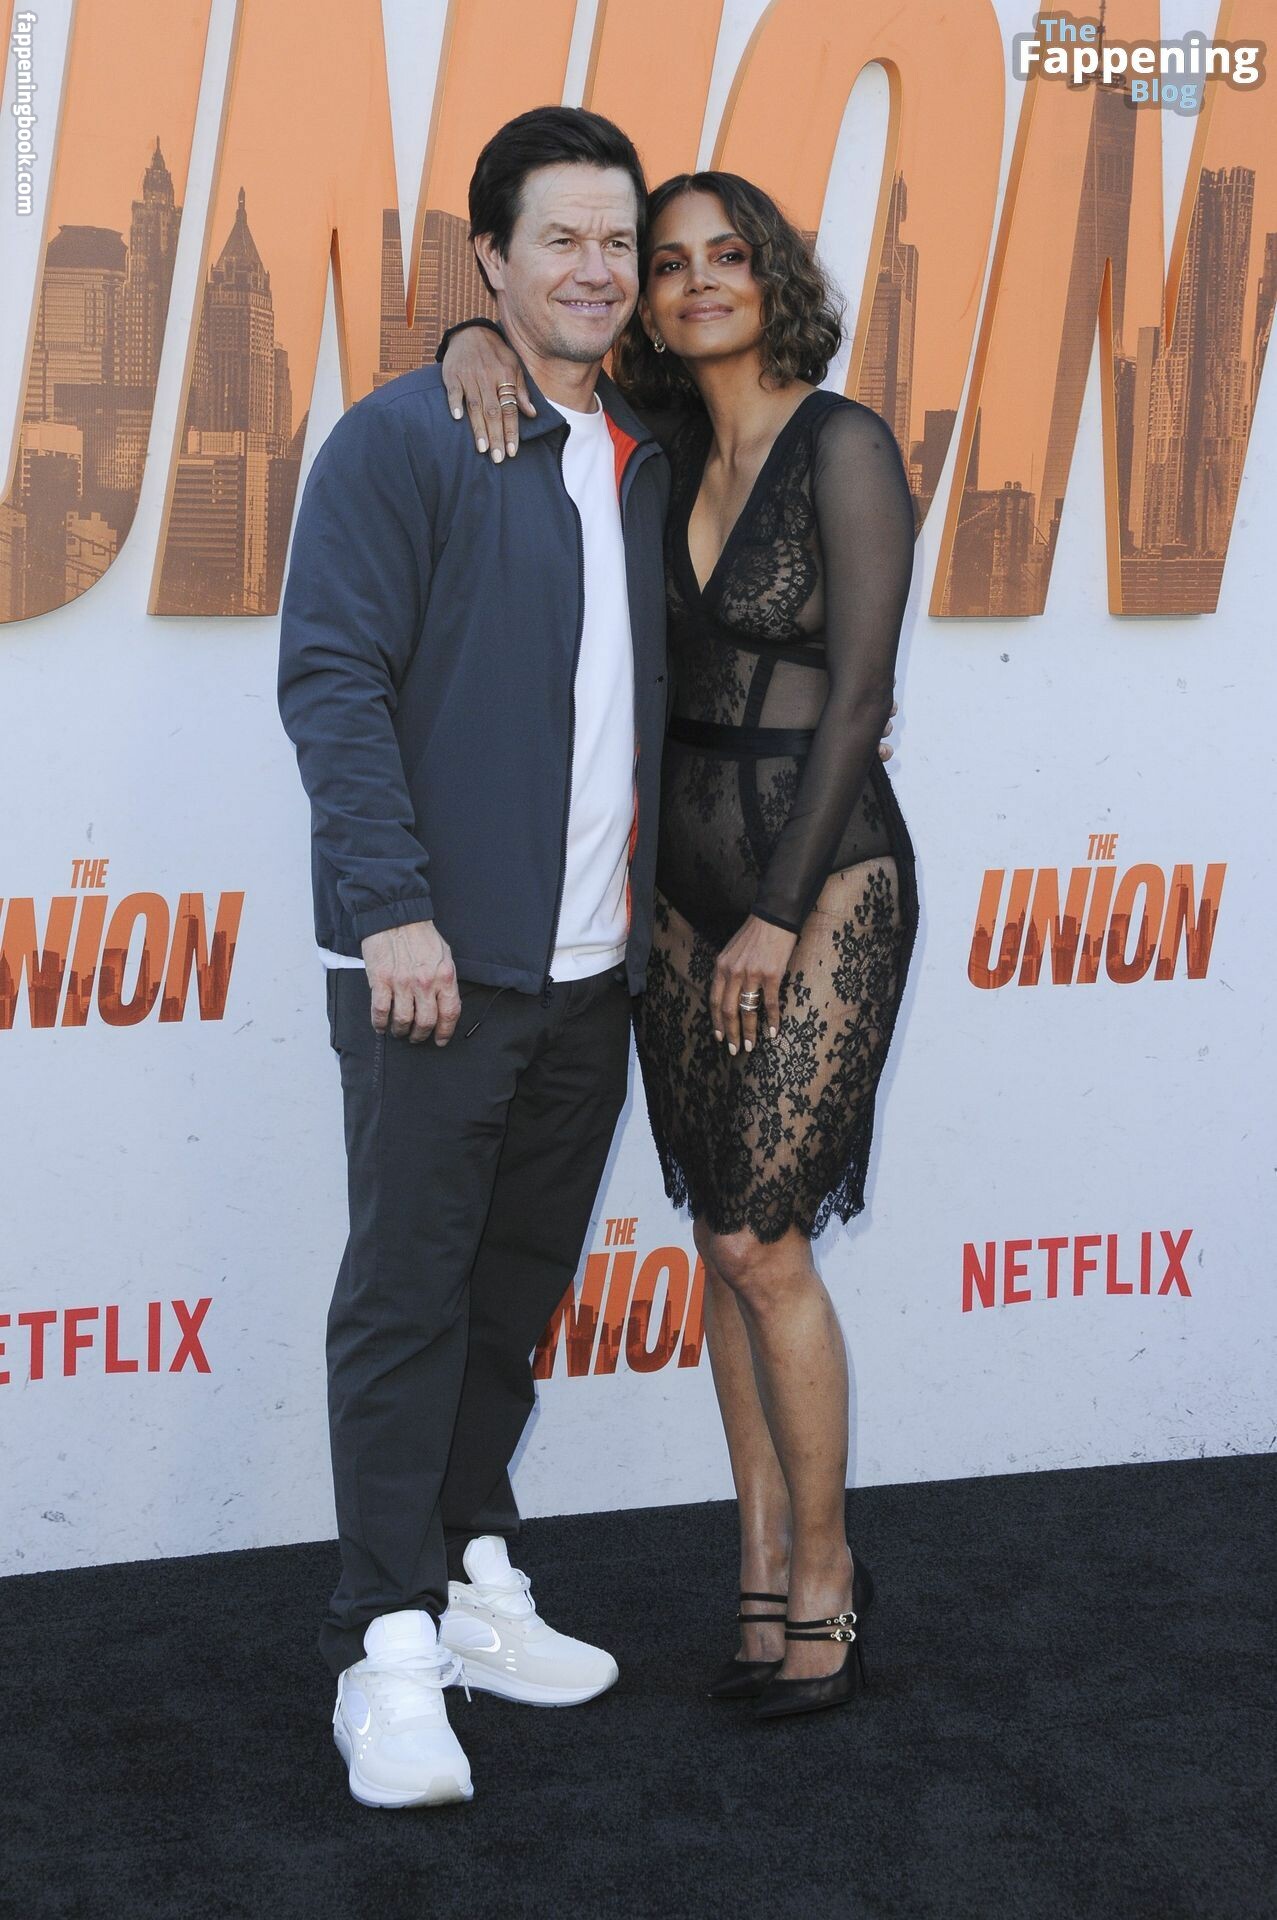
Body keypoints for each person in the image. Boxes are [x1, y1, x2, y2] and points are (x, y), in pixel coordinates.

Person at [440, 169, 917, 1721]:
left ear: (772, 277)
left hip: (819, 885)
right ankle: (758, 1570)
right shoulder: (647, 445)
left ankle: (828, 1577)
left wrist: (776, 909)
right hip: (672, 896)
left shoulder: (841, 444)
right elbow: (519, 369)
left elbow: (857, 697)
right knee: (720, 1239)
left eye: (728, 255)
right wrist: (465, 336)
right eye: (667, 261)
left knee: (759, 1246)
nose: (697, 279)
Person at [276, 106, 673, 1809]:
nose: (595, 269)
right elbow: (330, 676)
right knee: (406, 1303)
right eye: (558, 239)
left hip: (591, 975)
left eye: (617, 242)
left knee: (507, 1305)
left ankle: (466, 1571)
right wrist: (391, 909)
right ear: (491, 258)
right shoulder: (405, 437)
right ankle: (382, 1648)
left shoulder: (643, 449)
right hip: (431, 960)